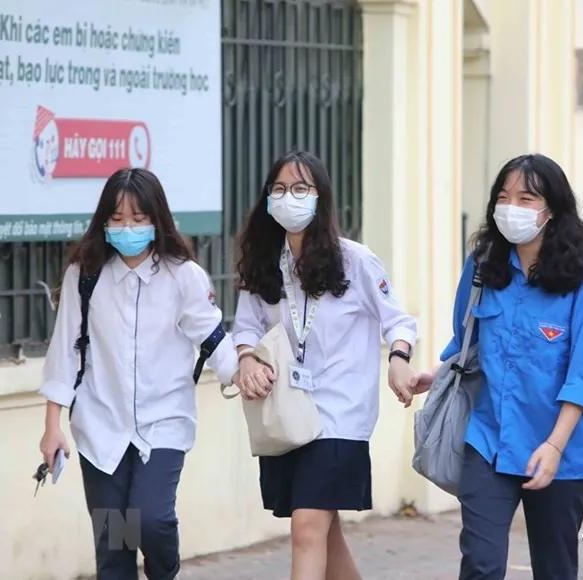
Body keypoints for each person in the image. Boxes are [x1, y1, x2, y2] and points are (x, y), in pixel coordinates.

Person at [37, 168, 238, 580]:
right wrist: (52, 426)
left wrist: (244, 372)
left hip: (162, 424)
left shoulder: (182, 275)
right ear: (104, 221)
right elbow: (64, 353)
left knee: (149, 518)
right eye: (117, 218)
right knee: (116, 550)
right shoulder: (85, 275)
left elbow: (212, 336)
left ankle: (166, 573)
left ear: (157, 220)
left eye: (138, 218)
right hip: (101, 427)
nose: (127, 227)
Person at [417, 153, 583, 579]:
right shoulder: (483, 266)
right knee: (481, 565)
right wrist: (434, 374)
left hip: (558, 448)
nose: (512, 208)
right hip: (488, 438)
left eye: (526, 198)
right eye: (504, 197)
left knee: (554, 568)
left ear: (552, 209)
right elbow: (464, 340)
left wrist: (554, 446)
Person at [232, 150, 418, 580]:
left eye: (301, 189)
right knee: (323, 534)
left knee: (306, 529)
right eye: (279, 189)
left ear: (321, 198)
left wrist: (399, 360)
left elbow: (398, 321)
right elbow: (244, 327)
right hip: (287, 412)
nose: (288, 197)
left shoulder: (355, 260)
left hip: (339, 414)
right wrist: (245, 360)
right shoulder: (265, 263)